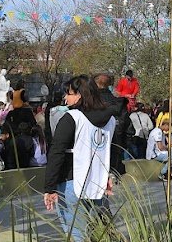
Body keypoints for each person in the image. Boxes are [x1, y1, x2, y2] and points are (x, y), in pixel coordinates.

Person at [43, 75, 117, 242]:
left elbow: (57, 152)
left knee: (77, 236)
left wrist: (49, 187)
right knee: (101, 233)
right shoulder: (110, 120)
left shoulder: (72, 118)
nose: (65, 97)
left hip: (71, 183)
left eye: (68, 93)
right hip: (98, 184)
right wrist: (109, 176)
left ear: (79, 95)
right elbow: (112, 150)